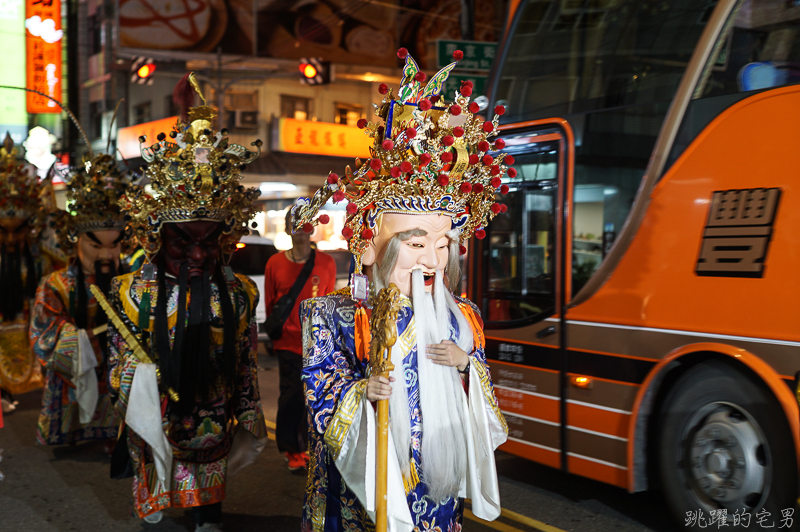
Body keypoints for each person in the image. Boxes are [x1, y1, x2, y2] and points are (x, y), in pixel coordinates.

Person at [294, 49, 510, 532]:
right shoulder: (332, 314)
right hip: (363, 480)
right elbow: (318, 387)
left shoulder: (463, 314)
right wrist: (359, 392)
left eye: (444, 245)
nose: (433, 261)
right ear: (369, 247)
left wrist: (467, 367)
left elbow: (481, 388)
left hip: (435, 474)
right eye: (415, 244)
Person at [107, 73, 267, 531]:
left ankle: (207, 515)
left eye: (209, 243)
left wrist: (248, 407)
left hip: (213, 410)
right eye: (183, 243)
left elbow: (243, 359)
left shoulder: (237, 292)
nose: (198, 255)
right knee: (159, 478)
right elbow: (120, 360)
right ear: (157, 240)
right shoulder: (133, 293)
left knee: (208, 488)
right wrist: (140, 380)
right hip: (160, 405)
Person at [29, 153, 130, 448]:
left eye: (114, 245)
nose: (105, 255)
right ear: (77, 240)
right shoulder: (56, 284)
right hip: (75, 371)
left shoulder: (132, 282)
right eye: (95, 244)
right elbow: (42, 331)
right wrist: (75, 338)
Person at [263, 210, 336, 471]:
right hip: (288, 341)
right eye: (295, 224)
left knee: (314, 396)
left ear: (312, 228)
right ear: (288, 229)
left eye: (306, 224)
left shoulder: (326, 263)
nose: (301, 230)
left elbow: (328, 302)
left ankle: (308, 446)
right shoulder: (274, 263)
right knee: (291, 395)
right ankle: (291, 450)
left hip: (316, 342)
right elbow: (271, 301)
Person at [0, 134, 61, 414]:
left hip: (28, 327)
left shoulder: (42, 260)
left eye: (18, 230)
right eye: (3, 231)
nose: (11, 241)